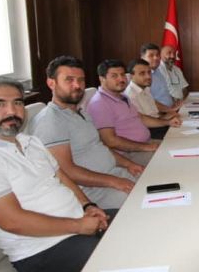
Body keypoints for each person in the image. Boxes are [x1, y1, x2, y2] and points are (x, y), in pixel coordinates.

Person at [0, 77, 113, 272]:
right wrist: (79, 226)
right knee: (126, 257)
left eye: (18, 103)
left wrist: (87, 205)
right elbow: (13, 222)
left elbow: (61, 177)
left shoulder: (30, 142)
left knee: (140, 223)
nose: (12, 111)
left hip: (80, 223)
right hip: (43, 251)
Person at [30, 56, 143, 209]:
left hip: (115, 174)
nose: (77, 85)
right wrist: (113, 181)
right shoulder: (50, 121)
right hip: (93, 191)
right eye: (69, 80)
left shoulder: (81, 112)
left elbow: (99, 147)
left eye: (81, 80)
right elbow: (66, 171)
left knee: (163, 185)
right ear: (51, 83)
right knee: (149, 204)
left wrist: (129, 164)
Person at [87, 59, 159, 165]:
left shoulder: (123, 96)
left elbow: (140, 118)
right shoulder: (99, 103)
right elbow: (110, 141)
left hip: (146, 144)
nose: (121, 79)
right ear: (102, 79)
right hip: (128, 154)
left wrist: (168, 122)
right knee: (171, 160)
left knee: (178, 146)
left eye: (122, 75)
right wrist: (145, 147)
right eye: (114, 76)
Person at [124, 58, 182, 138]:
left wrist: (169, 111)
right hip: (149, 131)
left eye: (149, 72)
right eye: (142, 73)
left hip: (158, 124)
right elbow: (142, 121)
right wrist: (166, 120)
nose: (148, 76)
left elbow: (154, 105)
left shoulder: (145, 88)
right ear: (131, 76)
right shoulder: (130, 95)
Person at [140, 43, 181, 110]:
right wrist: (169, 110)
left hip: (171, 109)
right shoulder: (142, 77)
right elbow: (147, 101)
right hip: (159, 113)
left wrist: (174, 100)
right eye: (151, 55)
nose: (156, 58)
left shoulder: (159, 71)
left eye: (157, 55)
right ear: (142, 58)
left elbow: (164, 92)